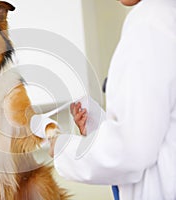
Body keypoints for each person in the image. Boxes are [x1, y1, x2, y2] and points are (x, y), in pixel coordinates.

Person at [46, 0, 176, 199]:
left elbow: (131, 151)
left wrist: (64, 148)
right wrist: (98, 126)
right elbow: (156, 129)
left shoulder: (151, 21)